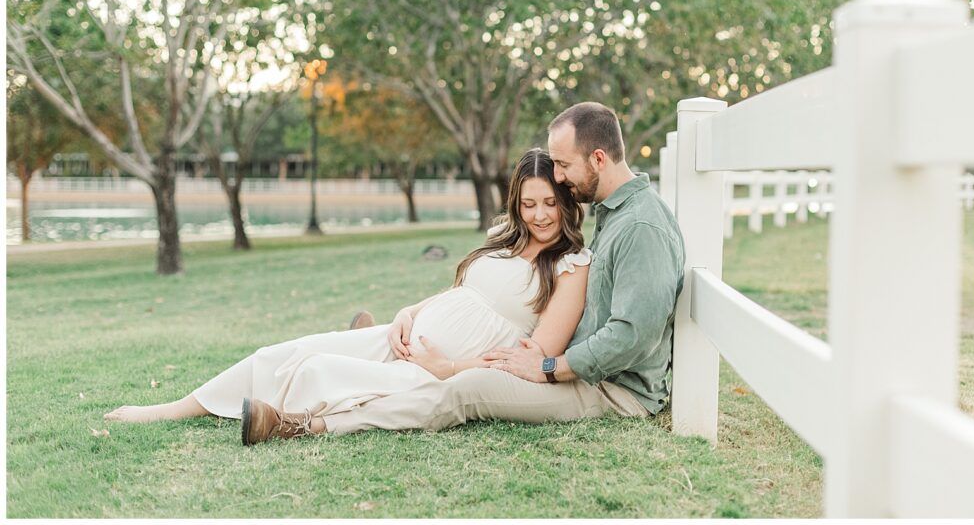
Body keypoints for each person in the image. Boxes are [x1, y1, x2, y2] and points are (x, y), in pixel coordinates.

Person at [239, 102, 685, 444]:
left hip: (611, 389)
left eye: (565, 166)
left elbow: (631, 336)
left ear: (599, 158)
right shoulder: (614, 212)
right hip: (578, 367)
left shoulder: (640, 225)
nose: (561, 179)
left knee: (464, 387)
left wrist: (549, 365)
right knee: (439, 368)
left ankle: (309, 426)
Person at [103, 148, 594, 444]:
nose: (539, 215)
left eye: (550, 202)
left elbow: (539, 356)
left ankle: (286, 421)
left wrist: (448, 370)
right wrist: (409, 312)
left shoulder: (571, 266)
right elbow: (461, 292)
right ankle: (176, 407)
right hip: (407, 339)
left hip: (443, 369)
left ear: (566, 200)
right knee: (290, 350)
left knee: (320, 370)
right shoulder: (506, 235)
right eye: (528, 203)